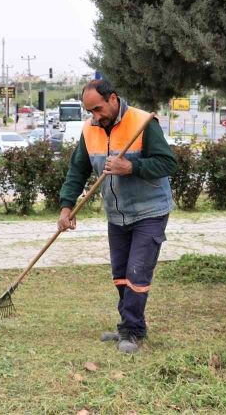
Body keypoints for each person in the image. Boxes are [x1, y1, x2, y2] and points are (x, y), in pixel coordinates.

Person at [58, 79, 176, 354]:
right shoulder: (90, 130)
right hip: (117, 214)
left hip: (149, 211)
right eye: (90, 112)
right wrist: (66, 206)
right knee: (121, 275)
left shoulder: (144, 122)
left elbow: (168, 163)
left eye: (98, 109)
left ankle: (131, 331)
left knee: (137, 273)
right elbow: (77, 170)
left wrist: (130, 166)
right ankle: (131, 325)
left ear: (113, 98)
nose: (95, 117)